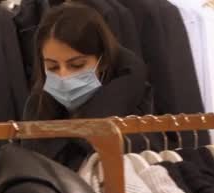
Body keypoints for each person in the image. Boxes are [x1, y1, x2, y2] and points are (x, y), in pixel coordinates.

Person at [21, 2, 153, 171]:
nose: (63, 76)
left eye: (76, 65)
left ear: (103, 62)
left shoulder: (134, 108)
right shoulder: (37, 108)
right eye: (52, 67)